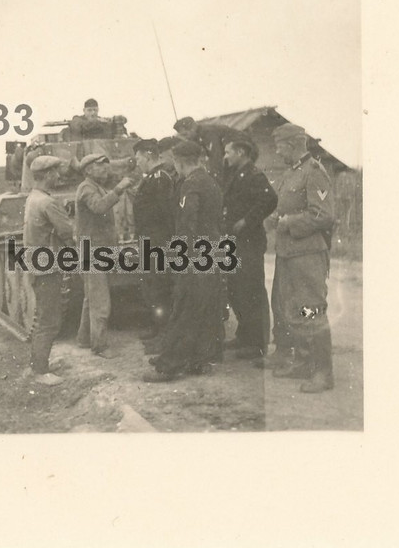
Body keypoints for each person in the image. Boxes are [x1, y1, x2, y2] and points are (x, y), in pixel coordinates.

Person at [144, 141, 224, 382]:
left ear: (180, 161)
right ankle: (198, 360)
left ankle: (170, 365)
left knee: (184, 309)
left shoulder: (191, 185)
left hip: (194, 255)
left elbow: (188, 223)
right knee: (205, 308)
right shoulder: (210, 181)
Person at [268, 123, 336, 392]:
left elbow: (323, 214)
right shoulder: (292, 173)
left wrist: (288, 223)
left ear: (294, 144)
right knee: (292, 309)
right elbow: (288, 206)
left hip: (307, 255)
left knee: (311, 310)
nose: (276, 150)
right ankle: (305, 362)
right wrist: (276, 217)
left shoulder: (314, 173)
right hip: (289, 253)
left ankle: (323, 372)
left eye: (280, 145)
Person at [222, 139, 278, 360]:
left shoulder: (254, 174)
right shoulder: (237, 173)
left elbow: (270, 199)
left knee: (251, 291)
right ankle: (244, 335)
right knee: (237, 290)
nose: (225, 157)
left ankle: (257, 343)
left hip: (249, 242)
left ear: (241, 152)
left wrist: (247, 221)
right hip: (236, 242)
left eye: (228, 152)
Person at [22, 155, 75, 386]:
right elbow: (67, 232)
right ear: (48, 175)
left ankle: (38, 365)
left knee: (43, 317)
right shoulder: (48, 202)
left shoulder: (34, 198)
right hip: (47, 267)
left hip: (37, 264)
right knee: (49, 320)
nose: (59, 175)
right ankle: (40, 371)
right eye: (55, 172)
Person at [74, 153, 134, 358]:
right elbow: (99, 207)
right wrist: (119, 189)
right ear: (88, 170)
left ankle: (84, 339)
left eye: (106, 165)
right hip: (93, 251)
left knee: (91, 297)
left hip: (97, 249)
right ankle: (99, 346)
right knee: (100, 300)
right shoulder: (86, 188)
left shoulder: (94, 186)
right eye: (100, 166)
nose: (105, 169)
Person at [131, 138, 176, 345]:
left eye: (138, 157)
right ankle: (158, 327)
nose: (137, 161)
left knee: (160, 288)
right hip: (149, 241)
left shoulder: (160, 178)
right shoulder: (151, 177)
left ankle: (164, 332)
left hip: (158, 242)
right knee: (151, 286)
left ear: (148, 155)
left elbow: (166, 213)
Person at [173, 117, 239, 181]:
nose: (186, 138)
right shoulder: (196, 137)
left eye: (185, 134)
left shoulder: (207, 133)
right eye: (182, 135)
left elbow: (216, 156)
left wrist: (216, 180)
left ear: (193, 128)